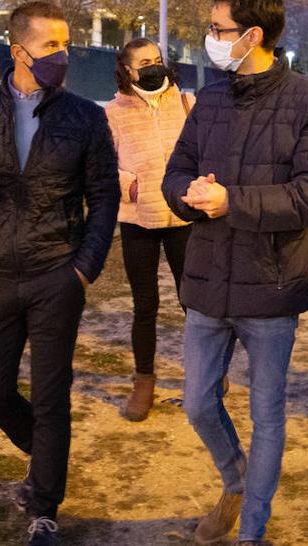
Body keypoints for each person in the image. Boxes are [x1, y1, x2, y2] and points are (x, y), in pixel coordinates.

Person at [162, 0, 308, 545]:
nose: (210, 39)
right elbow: (176, 170)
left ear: (253, 35)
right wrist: (186, 195)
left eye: (219, 30)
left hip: (271, 286)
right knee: (196, 402)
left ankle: (252, 533)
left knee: (268, 414)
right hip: (209, 279)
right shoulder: (209, 98)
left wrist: (231, 201)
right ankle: (236, 483)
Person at [0, 1, 120, 546]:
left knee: (50, 396)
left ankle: (44, 507)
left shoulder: (86, 117)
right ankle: (45, 455)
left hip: (55, 276)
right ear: (18, 51)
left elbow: (103, 197)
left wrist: (83, 270)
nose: (63, 55)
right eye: (50, 46)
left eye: (66, 45)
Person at [104, 37, 196, 421]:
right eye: (144, 61)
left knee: (194, 302)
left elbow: (202, 152)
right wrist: (131, 186)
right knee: (146, 306)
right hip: (139, 220)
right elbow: (103, 165)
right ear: (127, 69)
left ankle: (205, 376)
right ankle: (144, 381)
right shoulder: (112, 112)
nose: (154, 66)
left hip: (183, 218)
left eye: (157, 59)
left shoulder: (187, 102)